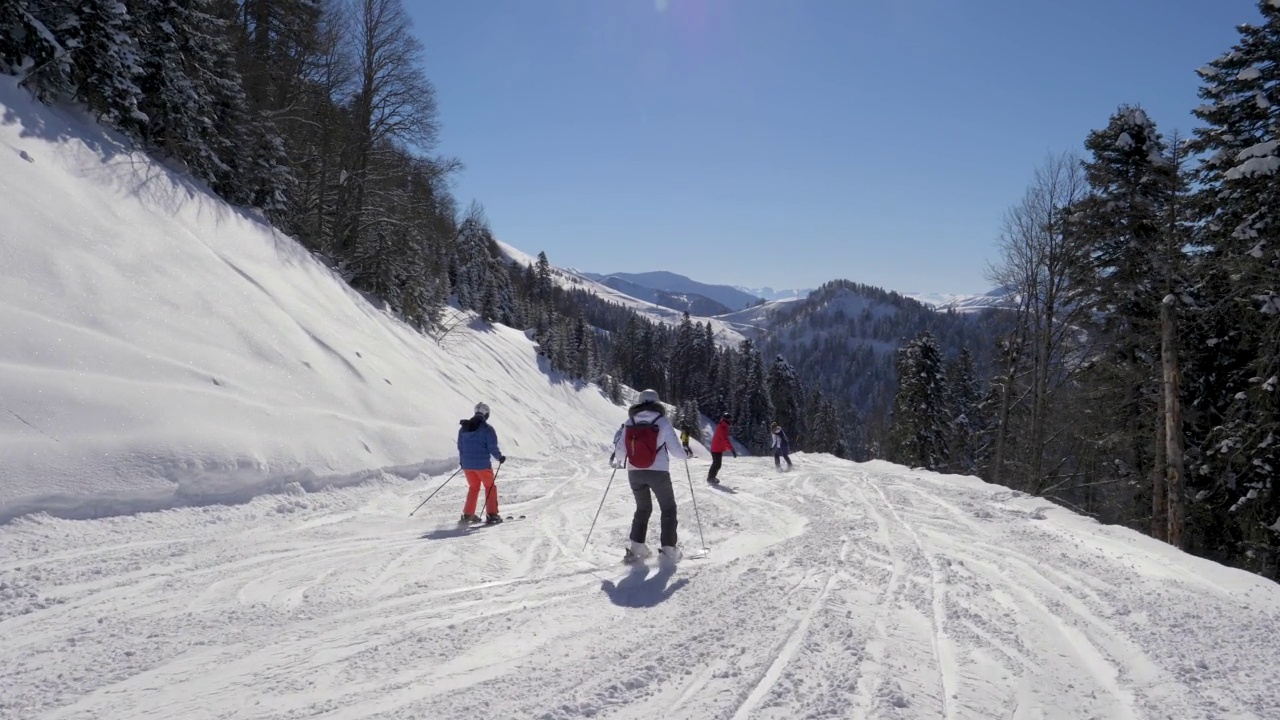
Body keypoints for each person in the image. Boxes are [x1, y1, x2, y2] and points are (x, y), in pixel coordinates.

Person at [612, 389, 687, 563]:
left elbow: (620, 453)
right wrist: (686, 454)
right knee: (668, 508)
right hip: (658, 472)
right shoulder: (662, 421)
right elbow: (676, 450)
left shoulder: (629, 422)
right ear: (657, 402)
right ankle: (669, 549)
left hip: (634, 472)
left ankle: (637, 546)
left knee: (643, 508)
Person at [457, 402, 506, 524]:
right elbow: (492, 447)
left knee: (474, 487)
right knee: (490, 487)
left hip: (467, 466)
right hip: (482, 465)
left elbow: (460, 447)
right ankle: (492, 514)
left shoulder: (463, 428)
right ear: (486, 414)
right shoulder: (487, 429)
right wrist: (499, 457)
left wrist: (463, 461)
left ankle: (468, 515)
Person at [706, 413, 736, 485]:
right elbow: (725, 439)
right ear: (726, 419)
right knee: (717, 464)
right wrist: (732, 449)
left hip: (717, 448)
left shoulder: (723, 425)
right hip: (716, 448)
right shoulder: (723, 427)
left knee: (717, 464)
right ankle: (710, 478)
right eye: (730, 419)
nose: (730, 421)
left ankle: (711, 477)